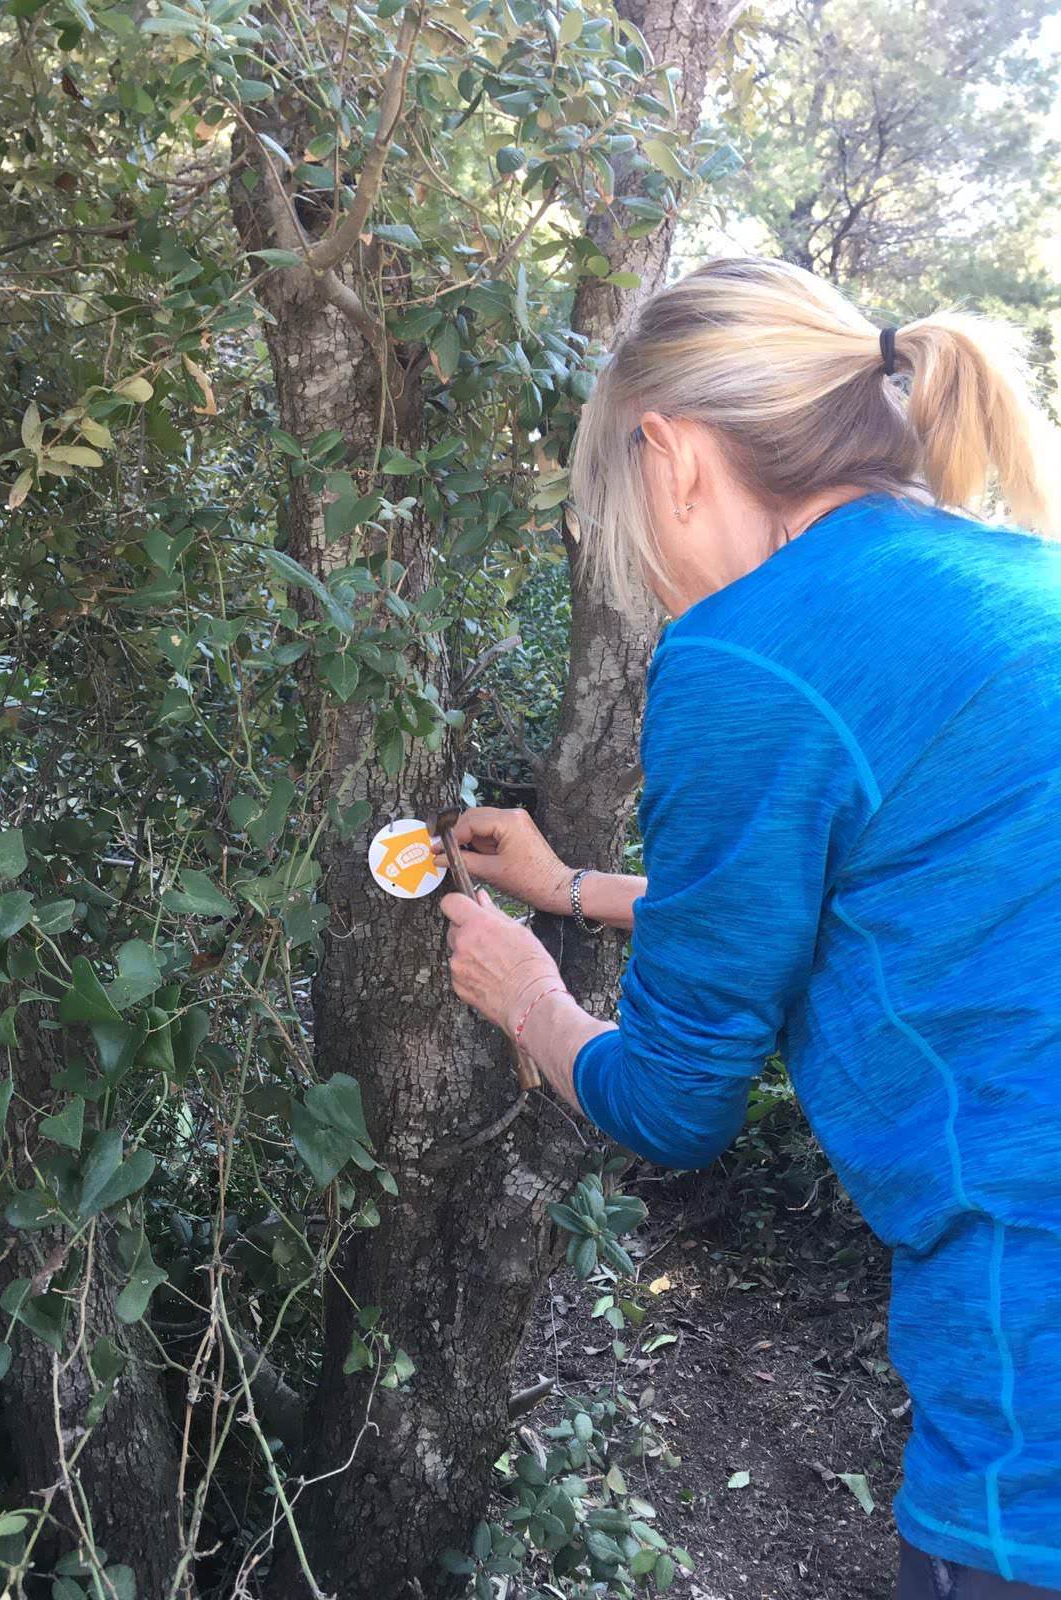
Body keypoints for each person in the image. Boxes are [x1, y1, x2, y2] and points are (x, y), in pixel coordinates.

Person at [436, 257, 1061, 1599]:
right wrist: (572, 891)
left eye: (617, 513)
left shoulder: (751, 649)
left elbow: (673, 1102)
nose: (645, 561)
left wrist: (529, 994)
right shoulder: (1013, 589)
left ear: (672, 458)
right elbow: (895, 884)